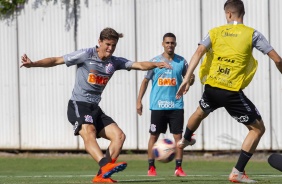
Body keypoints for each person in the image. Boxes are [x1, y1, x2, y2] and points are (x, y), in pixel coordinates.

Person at [20, 27, 171, 183]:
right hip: (78, 104)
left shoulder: (114, 62)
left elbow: (138, 65)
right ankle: (105, 165)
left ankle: (101, 176)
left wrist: (157, 64)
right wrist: (33, 64)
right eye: (107, 44)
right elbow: (57, 60)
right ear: (99, 42)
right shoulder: (86, 54)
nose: (110, 49)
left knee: (119, 136)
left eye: (113, 45)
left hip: (95, 108)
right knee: (89, 131)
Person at [175, 0, 282, 183]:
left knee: (200, 112)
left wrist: (186, 78)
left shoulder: (215, 32)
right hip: (231, 92)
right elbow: (277, 59)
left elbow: (198, 52)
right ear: (242, 13)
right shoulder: (252, 34)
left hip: (211, 87)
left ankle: (184, 140)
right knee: (257, 129)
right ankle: (237, 172)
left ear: (229, 14)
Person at [136, 33, 195, 177]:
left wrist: (190, 81)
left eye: (172, 43)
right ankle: (151, 168)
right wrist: (139, 101)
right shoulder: (155, 62)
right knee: (153, 137)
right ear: (163, 44)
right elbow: (145, 82)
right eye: (167, 42)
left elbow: (189, 78)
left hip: (176, 106)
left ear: (175, 44)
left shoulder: (181, 62)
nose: (170, 45)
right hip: (158, 106)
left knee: (178, 138)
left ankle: (178, 168)